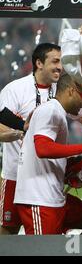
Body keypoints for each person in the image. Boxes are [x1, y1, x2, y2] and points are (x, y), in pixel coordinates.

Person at [14, 74, 82, 235]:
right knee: (43, 250)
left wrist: (72, 165)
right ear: (71, 91)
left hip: (54, 196)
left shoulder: (56, 111)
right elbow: (43, 149)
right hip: (39, 198)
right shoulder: (50, 110)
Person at [0, 43, 61, 235]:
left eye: (61, 61)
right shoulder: (16, 89)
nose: (60, 66)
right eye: (55, 61)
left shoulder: (62, 91)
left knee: (43, 233)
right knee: (8, 229)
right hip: (15, 176)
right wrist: (21, 132)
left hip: (47, 177)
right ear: (39, 63)